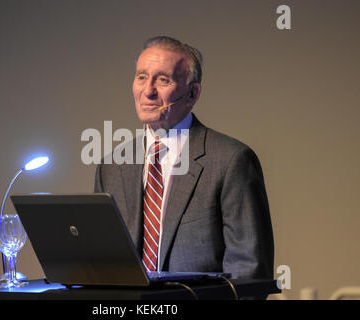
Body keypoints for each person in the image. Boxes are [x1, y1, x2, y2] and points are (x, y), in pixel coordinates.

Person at [94, 36, 274, 280]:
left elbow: (249, 272)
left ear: (192, 93)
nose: (148, 91)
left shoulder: (232, 161)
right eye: (142, 77)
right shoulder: (111, 167)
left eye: (163, 80)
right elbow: (101, 264)